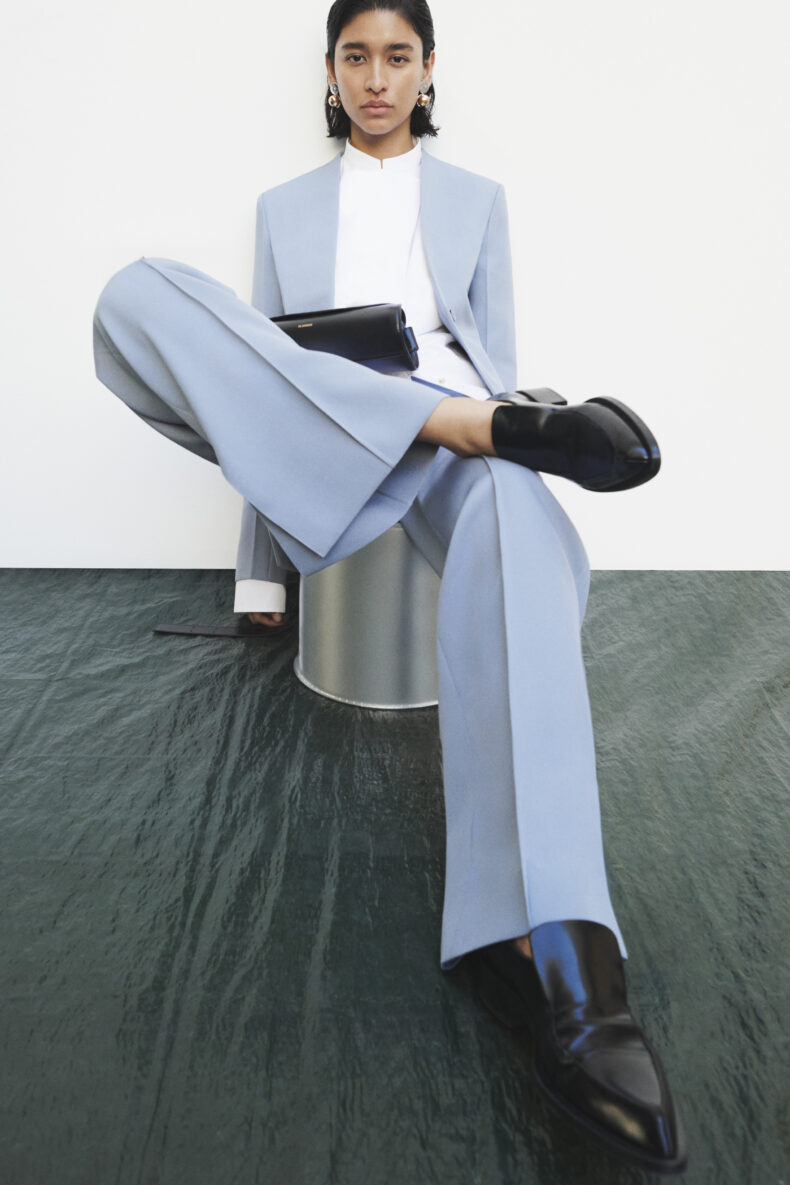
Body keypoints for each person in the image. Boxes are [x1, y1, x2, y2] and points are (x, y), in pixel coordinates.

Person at [91, 0, 685, 1172]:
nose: (376, 78)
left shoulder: (476, 200)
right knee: (137, 292)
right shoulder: (282, 208)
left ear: (427, 70)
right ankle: (479, 427)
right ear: (330, 71)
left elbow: (493, 346)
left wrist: (493, 417)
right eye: (355, 57)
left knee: (515, 505)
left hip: (461, 447)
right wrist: (259, 584)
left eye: (397, 56)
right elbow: (255, 378)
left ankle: (566, 960)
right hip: (326, 444)